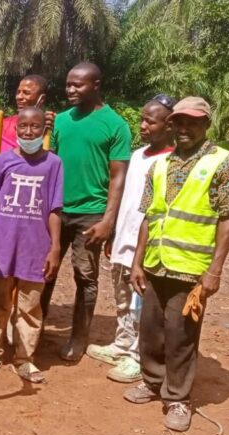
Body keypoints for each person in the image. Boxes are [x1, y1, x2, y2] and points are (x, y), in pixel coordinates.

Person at [126, 97, 229, 432]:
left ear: (206, 124)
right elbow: (150, 216)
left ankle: (178, 397)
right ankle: (152, 381)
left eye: (192, 122)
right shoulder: (159, 165)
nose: (184, 129)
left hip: (191, 267)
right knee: (150, 330)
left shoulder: (224, 163)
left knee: (181, 335)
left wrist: (215, 270)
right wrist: (137, 262)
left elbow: (227, 218)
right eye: (179, 122)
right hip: (155, 263)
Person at [43, 62, 131, 361]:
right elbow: (49, 163)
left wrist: (108, 221)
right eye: (68, 84)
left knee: (86, 277)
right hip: (56, 209)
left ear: (96, 85)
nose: (70, 90)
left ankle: (79, 338)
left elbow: (118, 176)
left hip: (91, 214)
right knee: (45, 271)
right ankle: (35, 327)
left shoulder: (115, 125)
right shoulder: (60, 121)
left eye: (78, 85)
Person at [85, 95, 176, 383]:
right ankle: (123, 343)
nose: (143, 125)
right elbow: (124, 198)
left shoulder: (173, 162)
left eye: (151, 121)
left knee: (142, 303)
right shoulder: (137, 156)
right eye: (142, 119)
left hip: (148, 244)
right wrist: (112, 232)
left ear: (169, 125)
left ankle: (139, 355)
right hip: (124, 236)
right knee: (123, 296)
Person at [0, 107, 63, 385]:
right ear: (15, 130)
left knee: (30, 305)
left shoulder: (53, 164)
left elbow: (54, 209)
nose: (28, 132)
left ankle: (25, 358)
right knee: (0, 299)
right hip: (4, 242)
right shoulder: (2, 162)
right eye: (23, 127)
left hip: (36, 246)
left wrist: (55, 247)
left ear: (43, 130)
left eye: (35, 127)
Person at [0, 74, 54, 167]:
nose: (19, 97)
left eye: (26, 93)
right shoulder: (2, 124)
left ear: (41, 99)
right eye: (18, 92)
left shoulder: (51, 126)